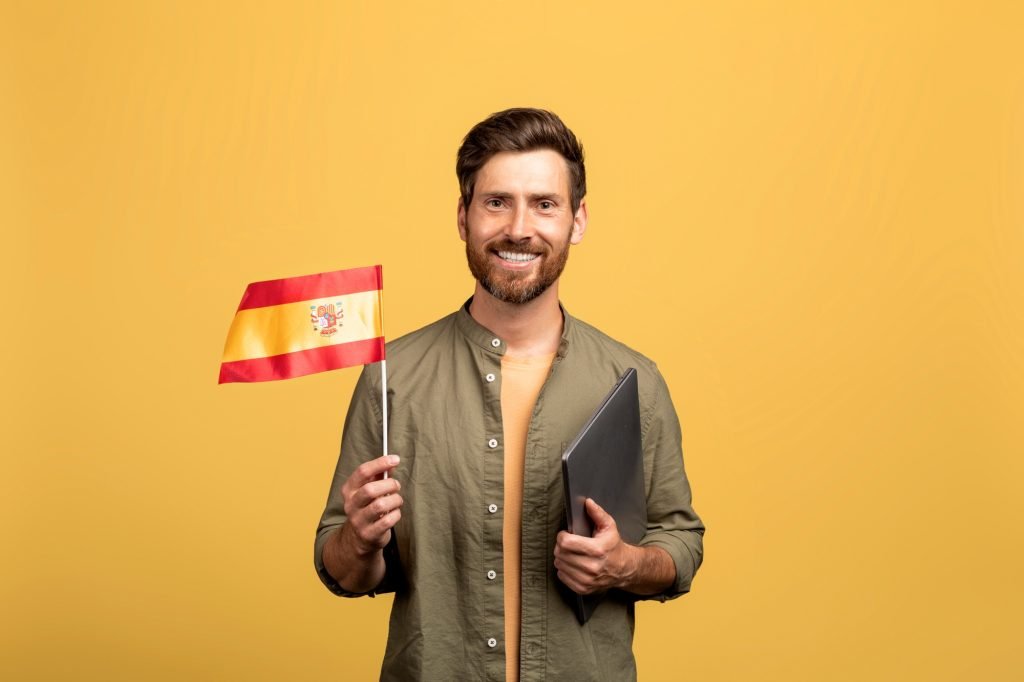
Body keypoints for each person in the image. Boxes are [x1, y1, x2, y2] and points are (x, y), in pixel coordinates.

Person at [315, 108, 704, 681]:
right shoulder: (390, 377)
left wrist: (625, 564)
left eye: (544, 204)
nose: (519, 228)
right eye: (497, 202)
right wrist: (361, 540)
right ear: (463, 216)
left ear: (577, 219)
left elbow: (682, 544)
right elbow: (342, 569)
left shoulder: (633, 381)